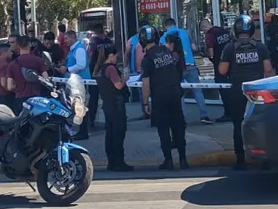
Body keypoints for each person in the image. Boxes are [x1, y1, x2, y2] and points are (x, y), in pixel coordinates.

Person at [218, 15, 273, 170]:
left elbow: (222, 70)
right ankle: (265, 158)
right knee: (261, 124)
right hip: (257, 92)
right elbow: (268, 70)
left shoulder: (230, 47)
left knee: (237, 124)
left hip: (238, 91)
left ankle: (240, 159)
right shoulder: (260, 47)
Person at [140, 24, 188, 170]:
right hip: (174, 93)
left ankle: (168, 160)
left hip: (160, 96)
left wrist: (145, 103)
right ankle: (183, 160)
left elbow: (146, 84)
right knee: (178, 127)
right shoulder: (166, 51)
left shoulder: (147, 59)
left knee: (163, 130)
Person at [96, 43, 133, 172]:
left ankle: (111, 161)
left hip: (107, 105)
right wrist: (125, 80)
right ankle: (119, 162)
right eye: (116, 56)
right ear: (111, 56)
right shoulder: (111, 69)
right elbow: (118, 85)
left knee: (110, 134)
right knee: (118, 134)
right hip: (116, 105)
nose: (116, 59)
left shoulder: (100, 69)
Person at [62, 29, 96, 138]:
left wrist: (67, 69)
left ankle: (83, 132)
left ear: (73, 37)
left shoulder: (79, 49)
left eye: (67, 39)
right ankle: (81, 130)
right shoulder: (74, 49)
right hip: (76, 82)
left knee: (80, 106)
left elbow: (81, 65)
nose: (65, 41)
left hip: (80, 82)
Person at [6, 36, 49, 107]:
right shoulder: (38, 60)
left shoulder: (12, 64)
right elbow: (46, 79)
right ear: (30, 45)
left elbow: (9, 87)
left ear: (18, 46)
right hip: (36, 99)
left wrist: (19, 87)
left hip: (20, 98)